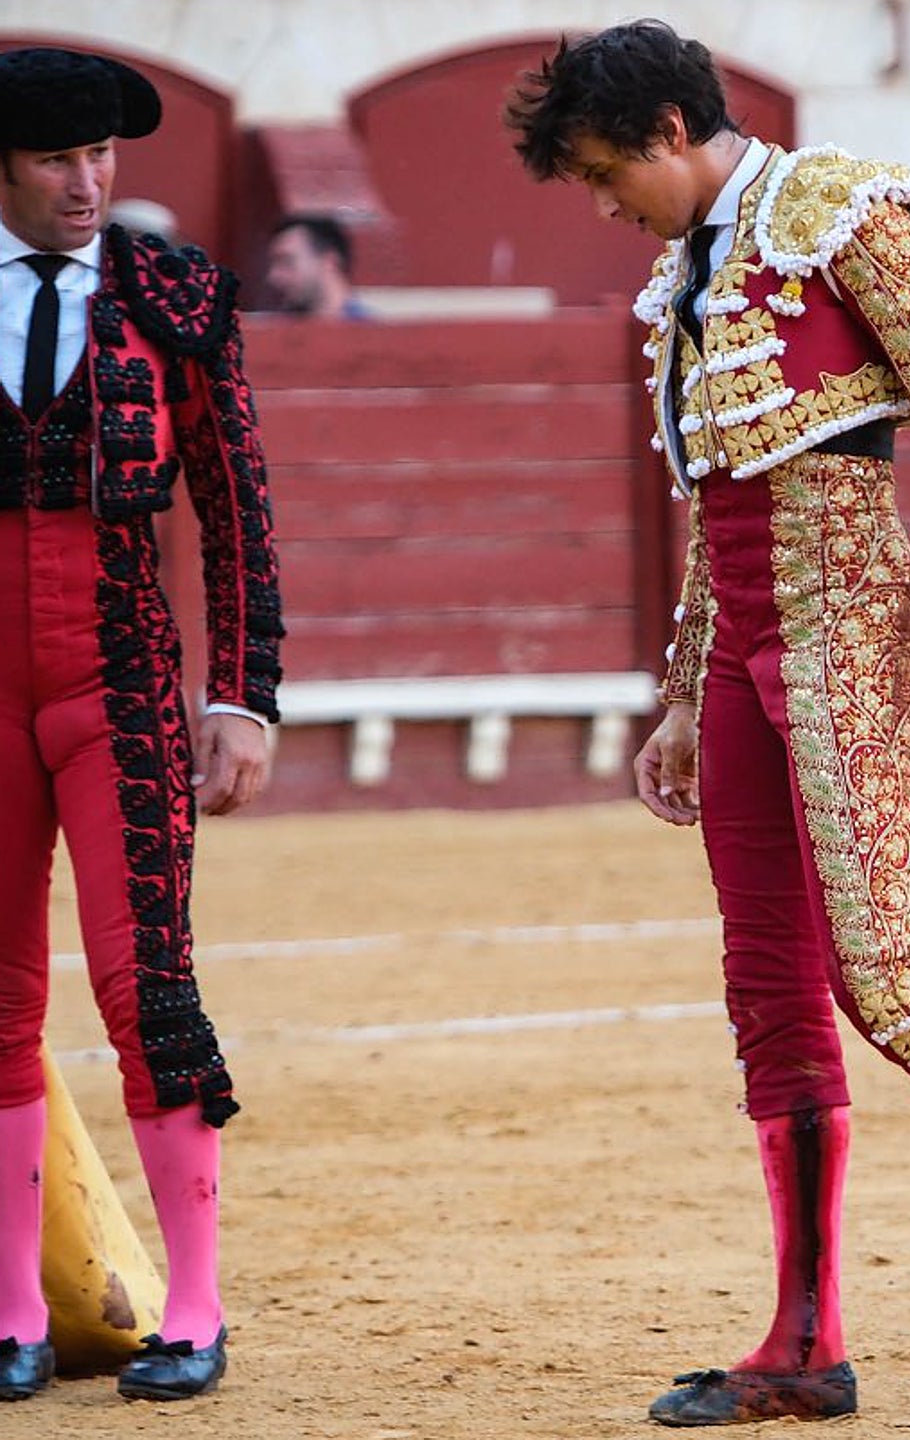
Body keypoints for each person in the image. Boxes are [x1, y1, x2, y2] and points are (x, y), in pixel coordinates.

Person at [505, 21, 910, 1428]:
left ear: (676, 129)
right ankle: (804, 1340)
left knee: (879, 968)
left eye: (613, 174)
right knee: (770, 992)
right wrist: (683, 694)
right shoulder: (688, 270)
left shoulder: (841, 209)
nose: (610, 207)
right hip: (746, 636)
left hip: (847, 623)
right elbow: (717, 507)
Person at [0, 47, 283, 1402]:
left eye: (103, 156)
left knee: (148, 994)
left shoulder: (174, 299)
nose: (88, 181)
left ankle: (195, 1306)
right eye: (59, 158)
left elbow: (237, 517)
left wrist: (242, 698)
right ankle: (12, 1315)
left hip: (116, 687)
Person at [263, 212, 367, 317]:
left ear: (329, 262)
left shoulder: (374, 331)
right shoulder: (268, 329)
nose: (273, 277)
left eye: (285, 261)